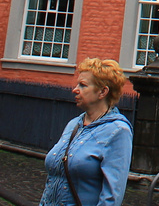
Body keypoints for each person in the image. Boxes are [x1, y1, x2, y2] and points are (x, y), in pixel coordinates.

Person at [39, 57, 133, 206]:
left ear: (102, 92)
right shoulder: (74, 124)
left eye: (82, 85)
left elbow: (112, 196)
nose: (75, 89)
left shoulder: (117, 131)